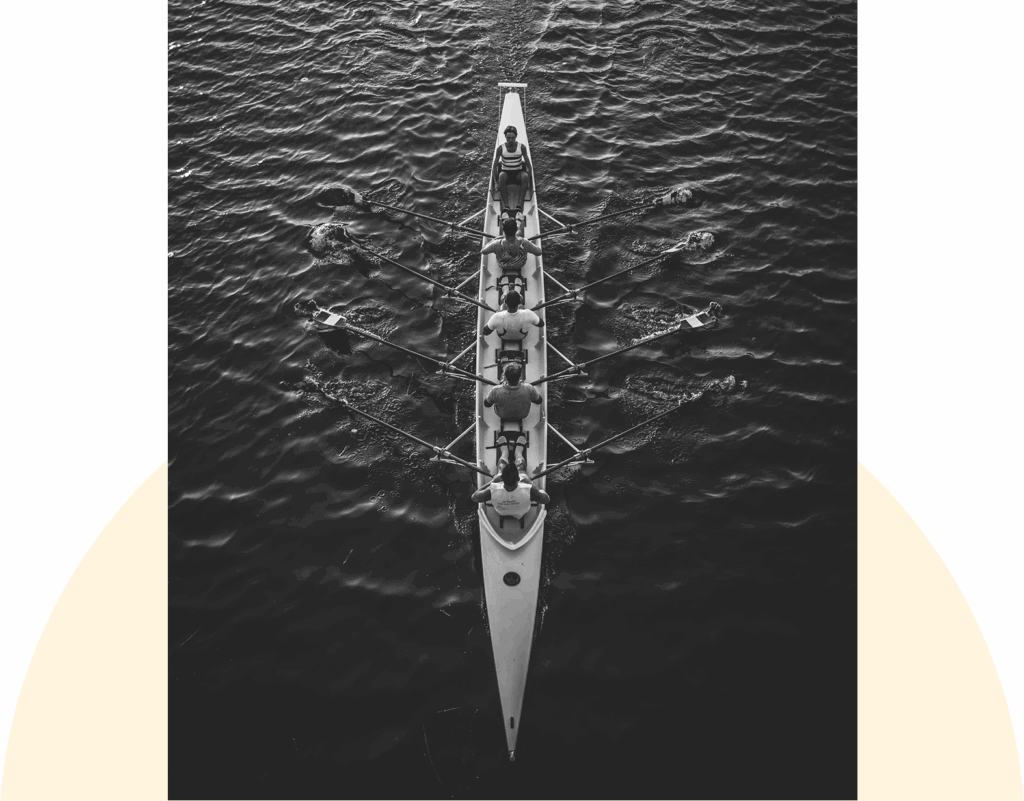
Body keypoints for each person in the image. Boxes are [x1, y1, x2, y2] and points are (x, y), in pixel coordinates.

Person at [471, 461, 550, 519]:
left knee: (502, 464)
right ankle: (519, 450)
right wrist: (530, 482)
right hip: (522, 513)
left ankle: (504, 451)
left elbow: (474, 497)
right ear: (518, 479)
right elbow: (546, 499)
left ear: (502, 478)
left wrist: (492, 482)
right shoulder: (529, 489)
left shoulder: (493, 489)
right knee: (521, 466)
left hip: (501, 512)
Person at [491, 125, 533, 212]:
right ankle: (505, 206)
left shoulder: (522, 147)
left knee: (524, 176)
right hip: (506, 173)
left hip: (518, 173)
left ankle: (519, 206)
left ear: (516, 136)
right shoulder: (500, 149)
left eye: (513, 138)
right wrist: (495, 183)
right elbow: (494, 167)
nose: (510, 140)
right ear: (505, 137)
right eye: (508, 138)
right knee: (501, 176)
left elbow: (529, 166)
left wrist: (528, 181)